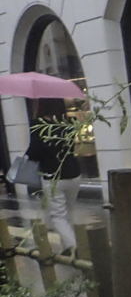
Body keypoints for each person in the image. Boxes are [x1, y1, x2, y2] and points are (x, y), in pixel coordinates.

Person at [26, 97, 81, 256]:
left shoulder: (38, 124)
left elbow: (34, 151)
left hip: (53, 175)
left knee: (58, 216)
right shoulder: (70, 122)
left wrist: (29, 154)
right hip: (73, 173)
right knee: (67, 213)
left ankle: (75, 246)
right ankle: (66, 248)